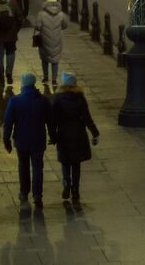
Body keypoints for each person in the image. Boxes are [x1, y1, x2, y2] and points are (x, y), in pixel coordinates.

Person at [2, 73, 51, 210]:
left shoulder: (15, 101)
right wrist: (53, 136)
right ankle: (37, 196)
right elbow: (50, 121)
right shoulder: (43, 101)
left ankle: (24, 192)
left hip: (21, 140)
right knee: (37, 168)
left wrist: (6, 139)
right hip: (38, 140)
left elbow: (8, 122)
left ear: (23, 84)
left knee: (23, 166)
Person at [49, 73, 100, 203]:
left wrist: (52, 136)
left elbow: (53, 120)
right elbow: (87, 118)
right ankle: (75, 191)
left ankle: (66, 183)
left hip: (63, 133)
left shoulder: (58, 98)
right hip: (78, 133)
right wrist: (95, 133)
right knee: (76, 164)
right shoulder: (80, 98)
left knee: (65, 162)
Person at [34, 0, 68, 88]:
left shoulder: (41, 14)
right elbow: (65, 25)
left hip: (45, 40)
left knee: (44, 59)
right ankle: (54, 80)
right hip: (57, 40)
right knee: (55, 60)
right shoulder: (61, 14)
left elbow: (38, 26)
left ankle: (45, 78)